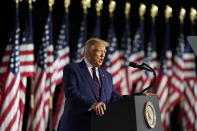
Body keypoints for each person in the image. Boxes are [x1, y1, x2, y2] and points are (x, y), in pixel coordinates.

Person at [58, 38, 128, 131]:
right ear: (87, 52)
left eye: (105, 52)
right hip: (75, 126)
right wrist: (92, 104)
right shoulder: (72, 69)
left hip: (99, 126)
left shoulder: (107, 76)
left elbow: (115, 98)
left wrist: (139, 97)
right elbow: (72, 94)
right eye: (99, 51)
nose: (103, 55)